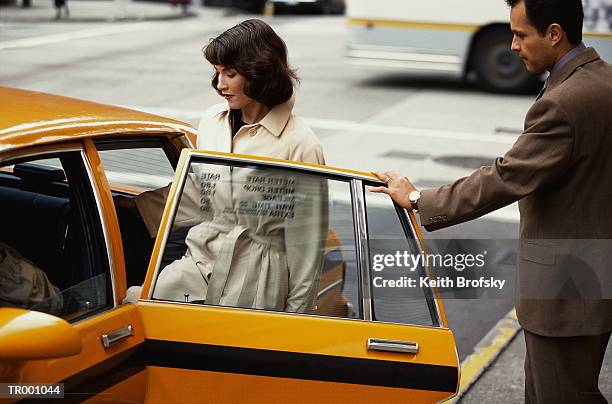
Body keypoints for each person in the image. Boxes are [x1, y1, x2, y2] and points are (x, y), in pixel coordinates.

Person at [373, 0, 612, 402]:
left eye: (520, 34)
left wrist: (417, 198)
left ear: (554, 34)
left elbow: (505, 177)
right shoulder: (602, 79)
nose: (513, 45)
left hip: (564, 292)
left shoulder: (565, 101)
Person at [123, 19, 327, 313]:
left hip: (258, 279)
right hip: (200, 258)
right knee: (133, 306)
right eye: (218, 73)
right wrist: (138, 208)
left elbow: (306, 243)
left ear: (260, 73)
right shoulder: (212, 121)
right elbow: (202, 190)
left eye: (230, 74)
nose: (220, 85)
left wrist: (297, 316)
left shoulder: (301, 144)